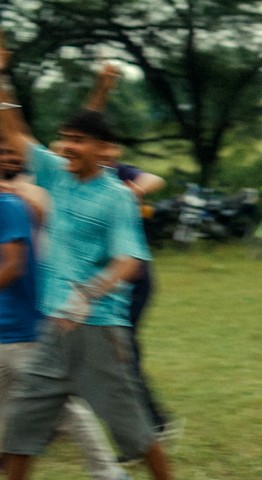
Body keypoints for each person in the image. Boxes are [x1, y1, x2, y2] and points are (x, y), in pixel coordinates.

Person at [0, 52, 171, 479]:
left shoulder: (116, 196)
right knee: (22, 429)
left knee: (134, 432)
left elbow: (130, 261)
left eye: (77, 139)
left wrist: (88, 294)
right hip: (53, 328)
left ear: (105, 150)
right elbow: (14, 131)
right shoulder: (56, 174)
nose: (67, 146)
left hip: (98, 329)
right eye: (64, 138)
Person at [1, 138, 130, 480]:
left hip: (21, 329)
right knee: (13, 408)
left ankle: (108, 472)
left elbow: (13, 267)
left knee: (64, 407)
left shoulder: (11, 204)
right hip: (7, 332)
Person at [82, 63, 179, 447]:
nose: (106, 151)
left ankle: (152, 428)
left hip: (131, 280)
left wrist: (132, 192)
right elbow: (82, 129)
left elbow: (154, 179)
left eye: (109, 147)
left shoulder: (113, 176)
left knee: (121, 355)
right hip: (94, 281)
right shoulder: (72, 176)